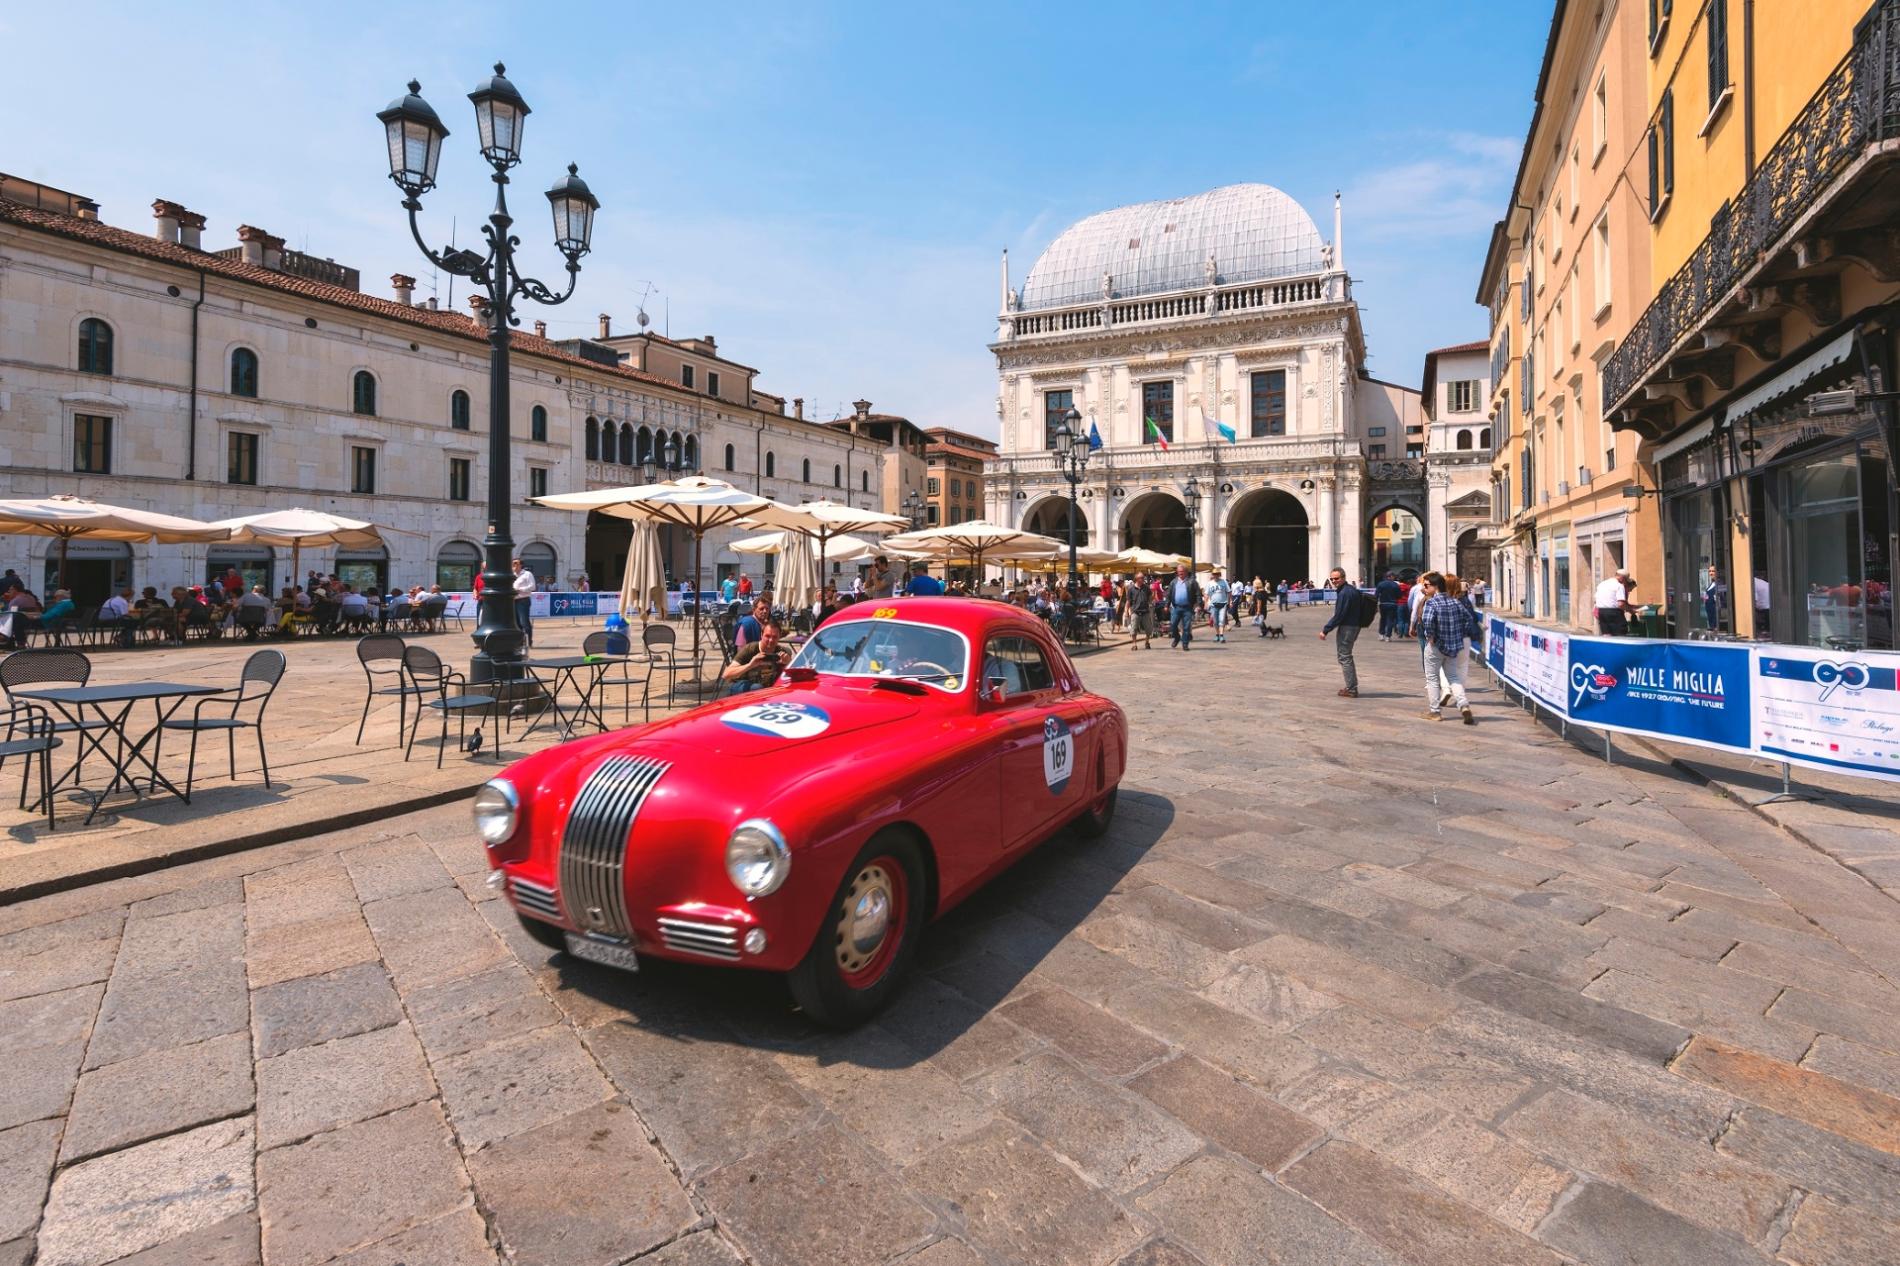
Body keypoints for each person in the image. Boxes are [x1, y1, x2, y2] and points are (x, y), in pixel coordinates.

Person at [1416, 570, 1479, 724]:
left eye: (1426, 585)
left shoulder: (1432, 602)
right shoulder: (1455, 601)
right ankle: (1463, 705)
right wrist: (1458, 633)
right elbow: (1468, 618)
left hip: (1436, 645)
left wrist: (1430, 636)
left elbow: (1428, 621)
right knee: (1453, 676)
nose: (1424, 588)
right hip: (1453, 645)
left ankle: (1435, 711)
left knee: (1432, 678)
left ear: (1435, 586)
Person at [1319, 567, 1364, 698]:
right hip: (1355, 626)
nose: (1334, 581)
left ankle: (1351, 688)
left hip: (1347, 627)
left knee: (1344, 657)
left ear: (1343, 577)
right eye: (1332, 579)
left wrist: (1326, 630)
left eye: (1336, 578)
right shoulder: (1352, 590)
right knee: (1346, 656)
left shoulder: (1344, 593)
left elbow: (1339, 615)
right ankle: (1351, 686)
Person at [721, 622, 787, 696]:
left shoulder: (781, 652)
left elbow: (787, 677)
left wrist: (786, 665)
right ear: (761, 635)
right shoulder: (750, 649)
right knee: (757, 688)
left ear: (779, 637)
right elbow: (726, 674)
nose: (771, 640)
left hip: (766, 687)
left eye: (774, 637)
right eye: (767, 636)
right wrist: (750, 665)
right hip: (741, 684)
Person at [1166, 564, 1200, 651]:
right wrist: (1166, 605)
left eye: (1182, 571)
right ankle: (1177, 638)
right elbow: (1169, 594)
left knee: (1186, 627)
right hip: (1176, 607)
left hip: (1187, 608)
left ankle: (1185, 644)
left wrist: (1198, 605)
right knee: (1173, 625)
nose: (1180, 573)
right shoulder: (1173, 582)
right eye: (1179, 571)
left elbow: (1198, 594)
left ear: (1186, 572)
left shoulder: (1192, 582)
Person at [1594, 567, 1635, 635]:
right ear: (1622, 578)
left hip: (1601, 612)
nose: (1625, 582)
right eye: (1625, 580)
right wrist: (1631, 610)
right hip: (1614, 613)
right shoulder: (1619, 586)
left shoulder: (1602, 584)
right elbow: (1621, 604)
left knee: (1606, 635)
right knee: (1620, 634)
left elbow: (1596, 599)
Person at [511, 557, 536, 647]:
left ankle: (529, 641)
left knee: (524, 622)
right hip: (513, 601)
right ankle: (520, 642)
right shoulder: (512, 575)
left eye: (516, 563)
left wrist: (520, 589)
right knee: (517, 623)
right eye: (513, 563)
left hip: (523, 600)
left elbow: (532, 587)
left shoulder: (527, 574)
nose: (514, 565)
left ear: (521, 564)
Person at [1205, 567, 1232, 643]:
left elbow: (1229, 592)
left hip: (1223, 604)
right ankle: (1217, 634)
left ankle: (1222, 635)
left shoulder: (1224, 582)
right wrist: (1206, 603)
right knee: (1215, 621)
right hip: (1213, 605)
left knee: (1221, 620)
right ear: (1212, 575)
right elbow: (1206, 594)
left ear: (1219, 575)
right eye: (1214, 574)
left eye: (1217, 574)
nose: (1215, 575)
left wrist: (1230, 602)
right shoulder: (1209, 583)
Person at [1375, 572, 1403, 641]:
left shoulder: (1381, 584)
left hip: (1383, 604)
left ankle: (1381, 634)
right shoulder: (1395, 585)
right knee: (1390, 620)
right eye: (1393, 576)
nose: (1394, 577)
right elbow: (1399, 595)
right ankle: (1388, 636)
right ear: (1390, 576)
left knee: (1383, 619)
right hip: (1392, 604)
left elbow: (1376, 594)